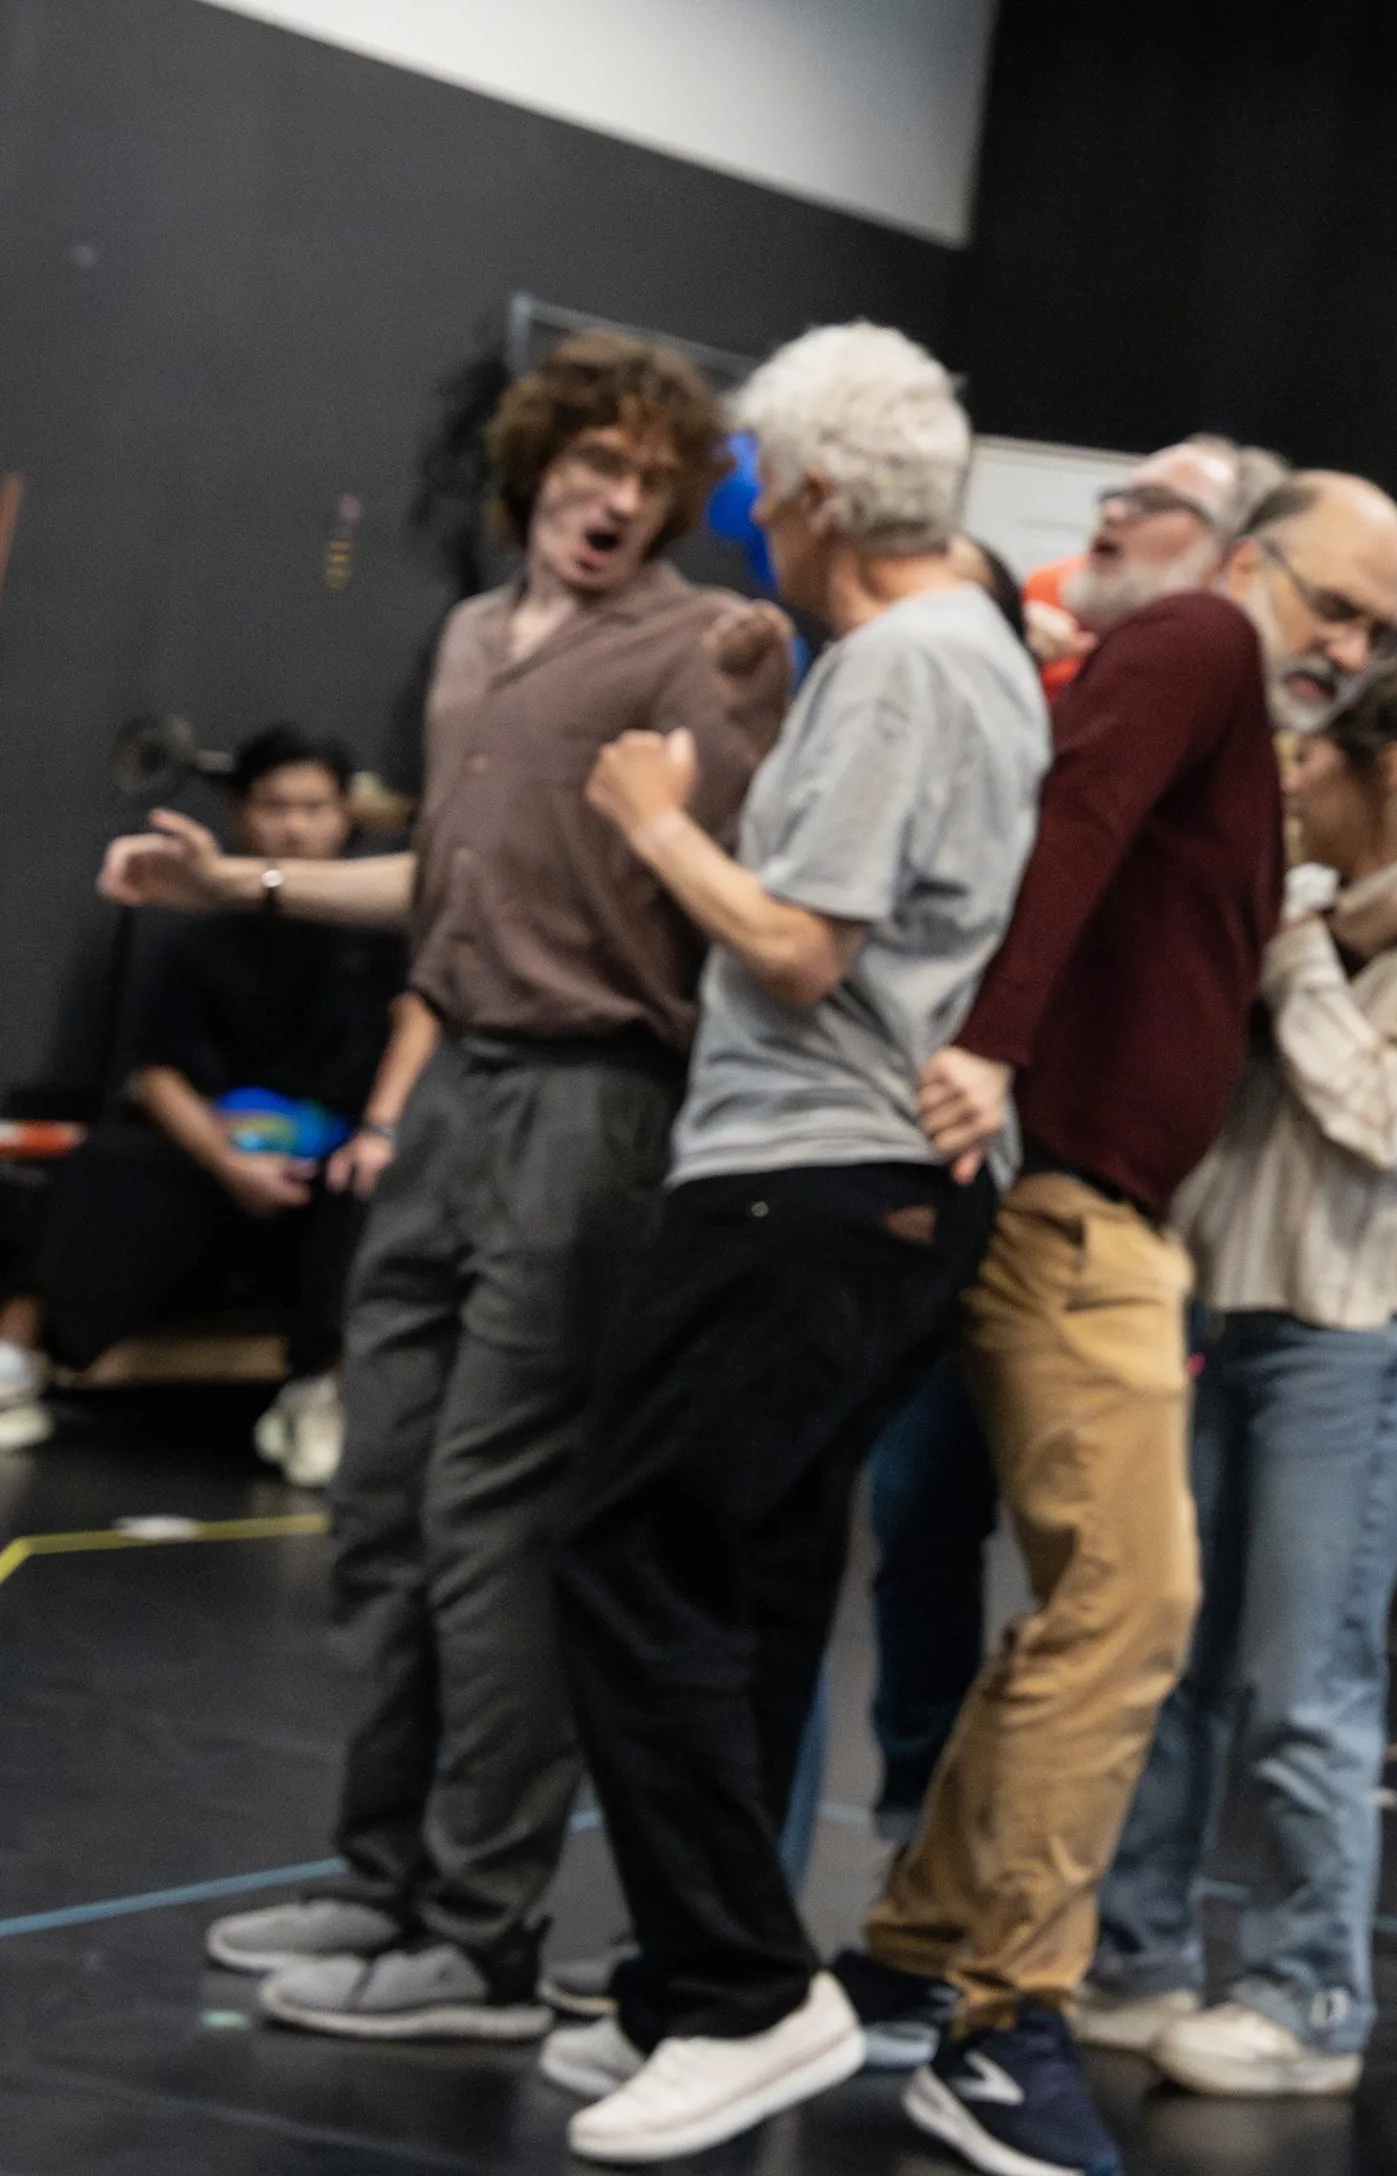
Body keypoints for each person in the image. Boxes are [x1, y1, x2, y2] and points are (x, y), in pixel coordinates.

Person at [100, 333, 784, 2041]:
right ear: (536, 465)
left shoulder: (705, 647)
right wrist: (236, 878)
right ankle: (381, 1874)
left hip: (595, 1101)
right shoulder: (476, 639)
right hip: (457, 1080)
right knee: (385, 1502)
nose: (615, 500)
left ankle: (481, 1935)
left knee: (494, 1522)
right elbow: (444, 877)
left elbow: (747, 881)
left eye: (650, 477)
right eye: (592, 464)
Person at [847, 470, 1397, 2176]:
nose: (1345, 648)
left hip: (1099, 1207)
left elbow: (1179, 908)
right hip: (1066, 1202)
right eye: (1330, 603)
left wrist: (1348, 914)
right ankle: (996, 2024)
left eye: (1377, 630)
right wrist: (987, 1040)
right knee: (1132, 1609)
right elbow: (1080, 823)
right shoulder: (1201, 636)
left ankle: (917, 1953)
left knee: (1094, 1606)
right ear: (1250, 560)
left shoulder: (1231, 705)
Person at [530, 320, 1046, 2165]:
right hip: (870, 1189)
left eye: (755, 479)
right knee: (741, 1579)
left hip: (800, 1173)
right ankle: (693, 1985)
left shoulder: (903, 660)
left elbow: (799, 943)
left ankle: (745, 1991)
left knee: (623, 1551)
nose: (740, 510)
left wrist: (658, 818)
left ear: (818, 494)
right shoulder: (957, 644)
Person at [1088, 652, 1397, 2100]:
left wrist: (1299, 947)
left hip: (1360, 1337)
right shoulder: (1339, 918)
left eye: (1318, 758)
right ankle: (1139, 1953)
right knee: (1182, 1670)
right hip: (1243, 1313)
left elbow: (1385, 1122)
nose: (1291, 777)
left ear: (1389, 771)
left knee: (1307, 1681)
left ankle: (1307, 1996)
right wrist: (1321, 926)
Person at [855, 438, 1296, 1860]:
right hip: (1021, 1169)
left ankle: (940, 1928)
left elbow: (1112, 840)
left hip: (1056, 1175)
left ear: (1231, 550)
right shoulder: (1135, 649)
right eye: (1110, 500)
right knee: (1066, 1574)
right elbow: (1074, 822)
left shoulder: (1196, 650)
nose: (1111, 519)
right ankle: (951, 1930)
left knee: (1073, 1579)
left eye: (1150, 505)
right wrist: (992, 1044)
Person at [0, 726, 408, 1478]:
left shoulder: (386, 938)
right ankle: (14, 1364)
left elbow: (418, 1025)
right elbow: (156, 1072)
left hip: (335, 1158)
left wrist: (374, 1134)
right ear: (244, 814)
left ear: (345, 813)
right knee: (108, 1165)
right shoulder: (200, 938)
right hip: (217, 1164)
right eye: (275, 806)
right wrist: (229, 1163)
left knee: (384, 1189)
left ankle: (326, 1393)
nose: (294, 825)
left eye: (315, 806)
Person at [1021, 434, 1290, 697]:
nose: (1112, 513)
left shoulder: (1244, 697)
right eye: (1119, 496)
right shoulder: (1043, 602)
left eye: (1152, 501)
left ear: (1233, 556)